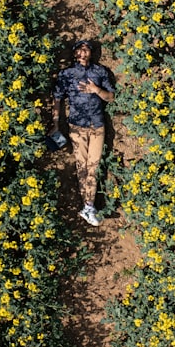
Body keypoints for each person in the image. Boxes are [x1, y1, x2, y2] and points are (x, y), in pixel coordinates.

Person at [51, 39, 115, 227]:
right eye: (80, 49)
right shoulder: (67, 74)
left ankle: (89, 206)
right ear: (74, 53)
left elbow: (110, 97)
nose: (84, 52)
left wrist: (96, 90)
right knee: (82, 166)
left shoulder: (99, 72)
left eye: (87, 49)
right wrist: (55, 123)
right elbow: (57, 99)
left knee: (93, 166)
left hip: (97, 125)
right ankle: (88, 206)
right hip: (77, 126)